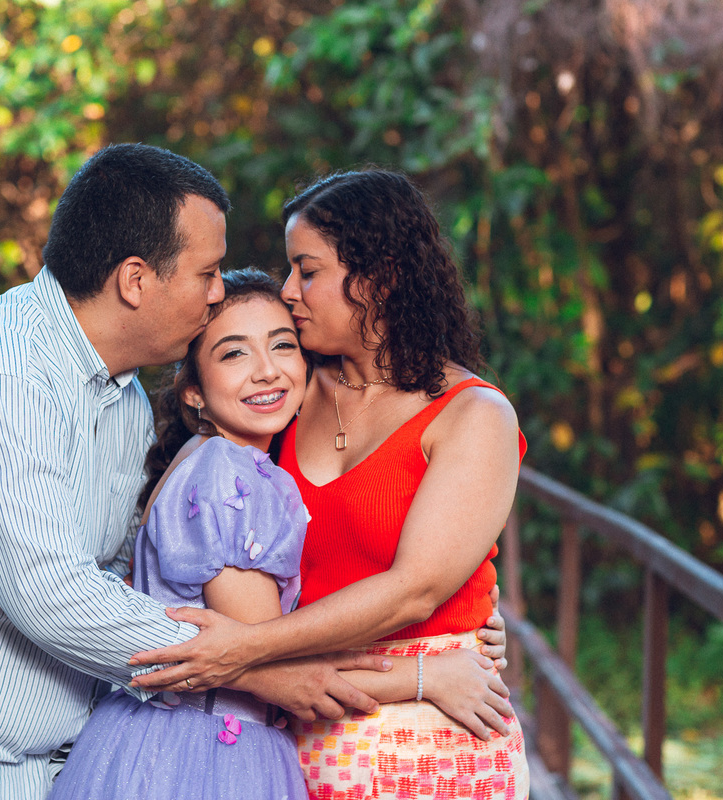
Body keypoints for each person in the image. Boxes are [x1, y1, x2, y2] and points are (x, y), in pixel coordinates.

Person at [0, 146, 387, 800]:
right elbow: (49, 591)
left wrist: (432, 630)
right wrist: (249, 668)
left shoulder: (120, 397)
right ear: (135, 280)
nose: (218, 293)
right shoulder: (5, 370)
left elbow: (139, 573)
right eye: (207, 273)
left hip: (31, 772)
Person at [129, 170, 530, 799]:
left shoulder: (473, 414)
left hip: (434, 734)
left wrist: (246, 648)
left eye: (306, 271)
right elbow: (204, 512)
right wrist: (246, 652)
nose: (288, 291)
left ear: (379, 277)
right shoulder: (282, 393)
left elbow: (415, 591)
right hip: (282, 732)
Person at [47, 269, 514, 800]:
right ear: (194, 393)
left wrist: (470, 609)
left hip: (164, 742)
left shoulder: (208, 459)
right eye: (234, 354)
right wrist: (431, 676)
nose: (266, 372)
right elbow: (276, 668)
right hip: (206, 757)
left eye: (283, 346)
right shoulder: (231, 480)